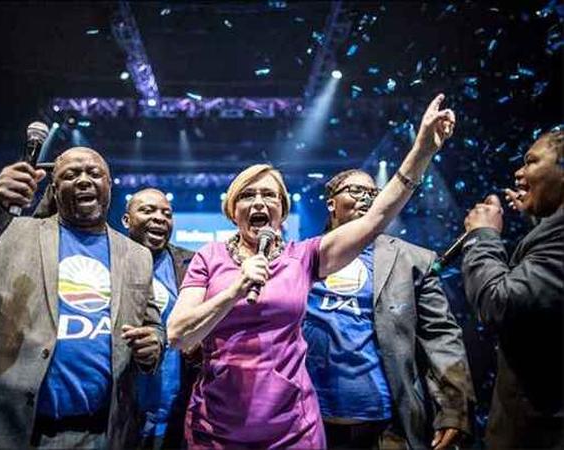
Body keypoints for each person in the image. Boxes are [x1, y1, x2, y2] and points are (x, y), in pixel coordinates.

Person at [167, 94, 457, 448]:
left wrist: (422, 150)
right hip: (216, 424)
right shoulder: (208, 257)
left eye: (270, 196)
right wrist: (234, 291)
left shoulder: (303, 256)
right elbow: (179, 334)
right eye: (248, 195)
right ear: (232, 210)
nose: (259, 202)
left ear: (282, 210)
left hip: (292, 426)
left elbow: (377, 217)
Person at [0, 147, 164, 449]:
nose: (84, 180)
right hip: (2, 430)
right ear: (54, 188)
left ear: (109, 185)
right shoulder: (11, 232)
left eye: (94, 173)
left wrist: (153, 344)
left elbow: (152, 326)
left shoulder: (137, 255)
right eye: (71, 175)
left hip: (99, 434)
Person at [303, 169, 474, 449]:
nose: (367, 198)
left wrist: (455, 407)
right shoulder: (302, 256)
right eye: (356, 191)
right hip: (308, 422)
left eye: (373, 193)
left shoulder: (414, 260)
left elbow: (441, 336)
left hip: (387, 425)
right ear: (331, 202)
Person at [462, 130, 564, 449]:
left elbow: (500, 304)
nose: (518, 173)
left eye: (531, 162)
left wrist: (482, 236)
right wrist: (537, 217)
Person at [121, 188, 196, 450]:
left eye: (167, 213)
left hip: (178, 412)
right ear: (126, 220)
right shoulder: (110, 259)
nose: (160, 218)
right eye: (147, 210)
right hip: (121, 413)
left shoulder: (191, 265)